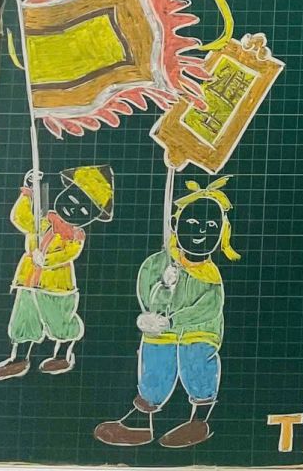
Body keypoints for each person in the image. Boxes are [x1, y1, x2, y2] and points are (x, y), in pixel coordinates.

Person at [94, 176, 239, 450]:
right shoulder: (159, 263)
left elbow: (208, 308)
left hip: (198, 333)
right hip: (160, 329)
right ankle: (141, 420)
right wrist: (162, 288)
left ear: (223, 232)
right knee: (155, 364)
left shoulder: (210, 276)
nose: (201, 231)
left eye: (211, 226)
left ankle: (200, 419)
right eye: (192, 223)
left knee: (196, 363)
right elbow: (145, 291)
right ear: (175, 224)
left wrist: (174, 320)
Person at [0, 165, 115, 381]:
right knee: (24, 318)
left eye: (84, 211)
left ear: (92, 218)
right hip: (29, 282)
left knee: (59, 322)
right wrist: (28, 191)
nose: (73, 209)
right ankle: (19, 359)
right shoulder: (43, 220)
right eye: (71, 200)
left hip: (56, 289)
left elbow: (68, 254)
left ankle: (63, 354)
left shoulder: (75, 235)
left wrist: (45, 260)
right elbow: (20, 218)